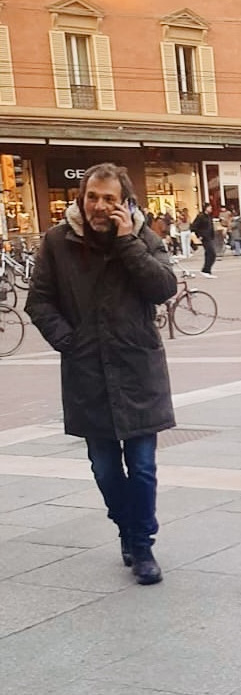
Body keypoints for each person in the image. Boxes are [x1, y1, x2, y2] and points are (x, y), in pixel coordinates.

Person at [25, 162, 176, 585]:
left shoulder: (142, 238)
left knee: (142, 467)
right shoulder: (58, 242)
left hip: (137, 370)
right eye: (92, 197)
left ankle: (141, 545)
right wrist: (69, 342)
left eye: (109, 198)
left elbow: (163, 287)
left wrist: (128, 243)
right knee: (105, 469)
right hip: (87, 373)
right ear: (82, 198)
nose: (99, 206)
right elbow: (39, 301)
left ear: (125, 203)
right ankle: (127, 528)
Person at [191, 202, 216, 278]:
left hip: (209, 237)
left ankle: (207, 270)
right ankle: (206, 270)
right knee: (212, 253)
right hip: (205, 237)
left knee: (209, 253)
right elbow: (193, 227)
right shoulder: (201, 216)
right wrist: (199, 235)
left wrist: (212, 234)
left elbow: (210, 226)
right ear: (206, 208)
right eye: (209, 207)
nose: (211, 209)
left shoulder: (209, 216)